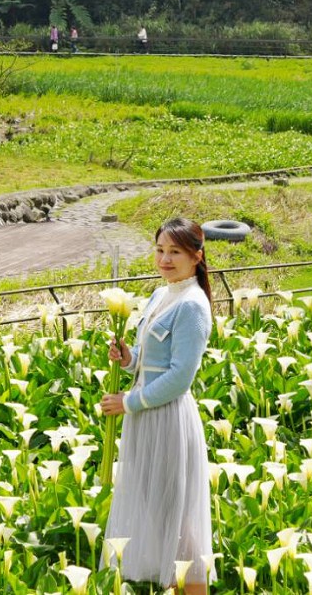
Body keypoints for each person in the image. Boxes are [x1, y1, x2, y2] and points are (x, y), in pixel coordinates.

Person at [100, 218, 214, 593]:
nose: (165, 259)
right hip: (145, 419)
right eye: (160, 250)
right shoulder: (161, 294)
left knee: (177, 518)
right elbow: (154, 362)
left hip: (166, 419)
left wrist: (128, 401)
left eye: (175, 252)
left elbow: (181, 376)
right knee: (157, 512)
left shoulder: (193, 305)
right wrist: (129, 359)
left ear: (196, 256)